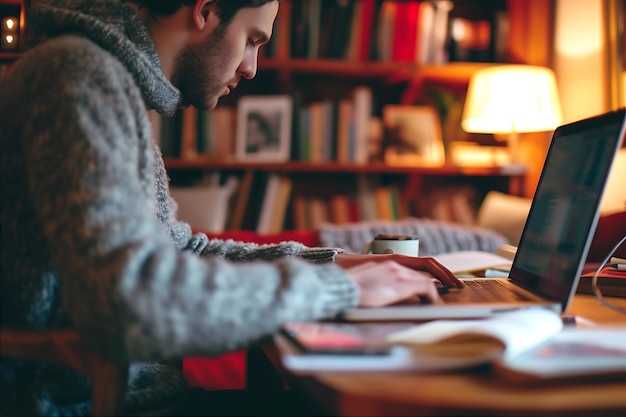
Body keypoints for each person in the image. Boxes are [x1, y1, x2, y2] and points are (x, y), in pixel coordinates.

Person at [0, 0, 463, 415]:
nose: (251, 67)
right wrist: (336, 290)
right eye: (252, 40)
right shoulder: (76, 76)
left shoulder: (110, 84)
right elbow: (133, 299)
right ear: (204, 10)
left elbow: (180, 253)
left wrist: (339, 264)